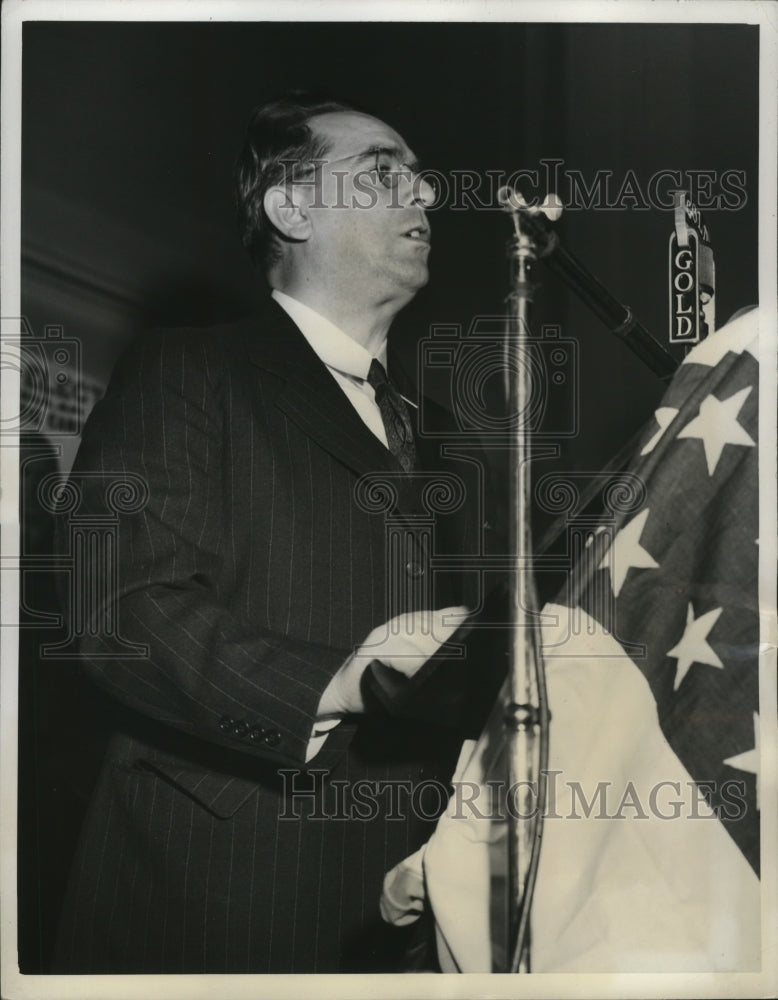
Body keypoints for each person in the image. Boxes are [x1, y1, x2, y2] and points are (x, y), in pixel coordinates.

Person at [52, 93, 497, 974]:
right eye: (382, 171)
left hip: (419, 903)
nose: (424, 196)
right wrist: (342, 679)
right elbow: (120, 612)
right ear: (290, 208)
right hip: (228, 890)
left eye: (421, 177)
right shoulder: (189, 370)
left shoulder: (453, 441)